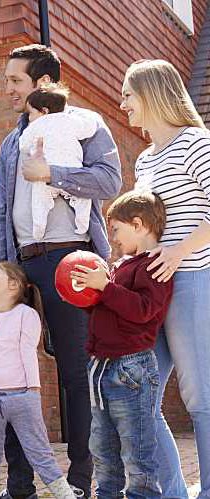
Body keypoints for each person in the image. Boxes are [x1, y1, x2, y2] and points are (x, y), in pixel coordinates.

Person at [0, 44, 123, 498]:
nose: (7, 89)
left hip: (72, 259)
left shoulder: (86, 125)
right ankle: (20, 485)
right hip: (21, 264)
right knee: (11, 374)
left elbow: (110, 180)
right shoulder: (11, 141)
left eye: (15, 81)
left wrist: (53, 173)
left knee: (75, 372)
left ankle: (83, 478)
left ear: (41, 84)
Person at [121, 59, 210, 498]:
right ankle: (174, 493)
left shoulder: (197, 143)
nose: (123, 104)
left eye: (128, 94)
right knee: (137, 397)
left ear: (151, 93)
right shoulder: (144, 160)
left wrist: (176, 252)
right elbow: (143, 229)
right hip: (151, 291)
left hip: (193, 279)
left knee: (201, 399)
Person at [71, 190, 173, 498]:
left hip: (131, 368)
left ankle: (143, 494)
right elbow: (106, 309)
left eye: (116, 230)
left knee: (136, 445)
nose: (113, 239)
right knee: (102, 444)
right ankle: (107, 493)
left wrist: (105, 287)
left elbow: (143, 311)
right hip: (100, 366)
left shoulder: (154, 265)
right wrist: (89, 293)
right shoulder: (120, 266)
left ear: (139, 224)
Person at [0, 262, 77, 499]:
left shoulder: (26, 315)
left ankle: (66, 496)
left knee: (40, 453)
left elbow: (28, 352)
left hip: (22, 397)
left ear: (13, 285)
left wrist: (33, 391)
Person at [20, 83, 96, 240]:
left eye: (31, 113)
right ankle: (82, 224)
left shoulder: (37, 125)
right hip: (72, 173)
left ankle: (38, 229)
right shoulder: (70, 120)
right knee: (83, 200)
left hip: (45, 175)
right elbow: (89, 128)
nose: (29, 117)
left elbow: (23, 144)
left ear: (44, 111)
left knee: (39, 202)